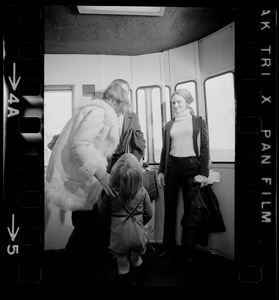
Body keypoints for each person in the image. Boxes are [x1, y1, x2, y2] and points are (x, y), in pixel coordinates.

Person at [45, 81, 130, 292]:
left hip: (81, 182)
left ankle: (74, 277)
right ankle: (63, 280)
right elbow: (79, 147)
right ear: (121, 99)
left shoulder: (94, 110)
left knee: (87, 229)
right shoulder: (100, 113)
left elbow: (67, 140)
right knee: (84, 231)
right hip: (80, 183)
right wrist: (103, 175)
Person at [157, 89, 210, 262]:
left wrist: (203, 174)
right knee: (169, 209)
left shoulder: (198, 121)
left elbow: (204, 147)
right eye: (173, 102)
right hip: (171, 166)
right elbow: (165, 149)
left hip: (191, 166)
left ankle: (189, 249)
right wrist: (161, 171)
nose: (176, 105)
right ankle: (167, 246)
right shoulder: (169, 125)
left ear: (187, 102)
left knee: (190, 211)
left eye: (179, 102)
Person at [99, 153, 153, 287]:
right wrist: (141, 224)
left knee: (122, 265)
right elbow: (149, 213)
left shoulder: (110, 192)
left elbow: (103, 213)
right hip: (137, 235)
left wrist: (111, 225)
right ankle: (140, 283)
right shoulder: (143, 191)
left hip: (119, 235)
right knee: (136, 259)